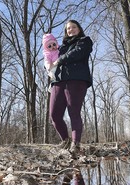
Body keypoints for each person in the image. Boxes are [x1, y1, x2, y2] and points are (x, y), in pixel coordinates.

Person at [50, 20, 93, 158]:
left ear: (79, 29)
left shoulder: (85, 41)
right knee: (54, 114)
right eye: (68, 28)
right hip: (58, 82)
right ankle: (66, 141)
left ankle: (76, 144)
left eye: (74, 27)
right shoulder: (61, 47)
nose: (71, 30)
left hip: (76, 80)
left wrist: (59, 60)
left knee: (73, 112)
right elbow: (51, 59)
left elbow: (77, 53)